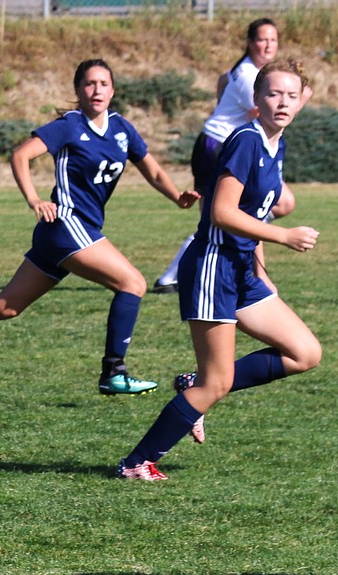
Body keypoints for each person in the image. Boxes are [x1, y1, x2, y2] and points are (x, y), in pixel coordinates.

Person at [0, 59, 199, 398]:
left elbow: (154, 172)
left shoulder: (122, 129)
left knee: (7, 306)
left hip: (71, 232)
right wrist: (34, 200)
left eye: (104, 83)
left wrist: (177, 196)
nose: (97, 90)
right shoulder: (69, 125)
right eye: (89, 84)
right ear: (78, 90)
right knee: (132, 283)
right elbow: (20, 156)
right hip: (65, 225)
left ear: (113, 90)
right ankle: (114, 371)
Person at [117, 60, 319, 481]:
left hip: (242, 270)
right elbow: (222, 213)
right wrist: (285, 236)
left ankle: (194, 382)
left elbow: (256, 211)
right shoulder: (246, 140)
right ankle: (136, 463)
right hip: (213, 268)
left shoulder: (273, 142)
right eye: (273, 93)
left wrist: (261, 269)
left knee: (304, 353)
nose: (282, 102)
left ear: (304, 100)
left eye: (291, 95)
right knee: (217, 384)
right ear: (256, 99)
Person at [152, 18, 304, 294]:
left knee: (273, 205)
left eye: (273, 40)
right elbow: (265, 113)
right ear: (250, 43)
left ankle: (244, 261)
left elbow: (223, 84)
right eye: (262, 39)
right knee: (219, 218)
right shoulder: (248, 77)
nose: (268, 45)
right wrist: (299, 97)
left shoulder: (249, 73)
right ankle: (172, 277)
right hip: (218, 146)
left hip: (230, 145)